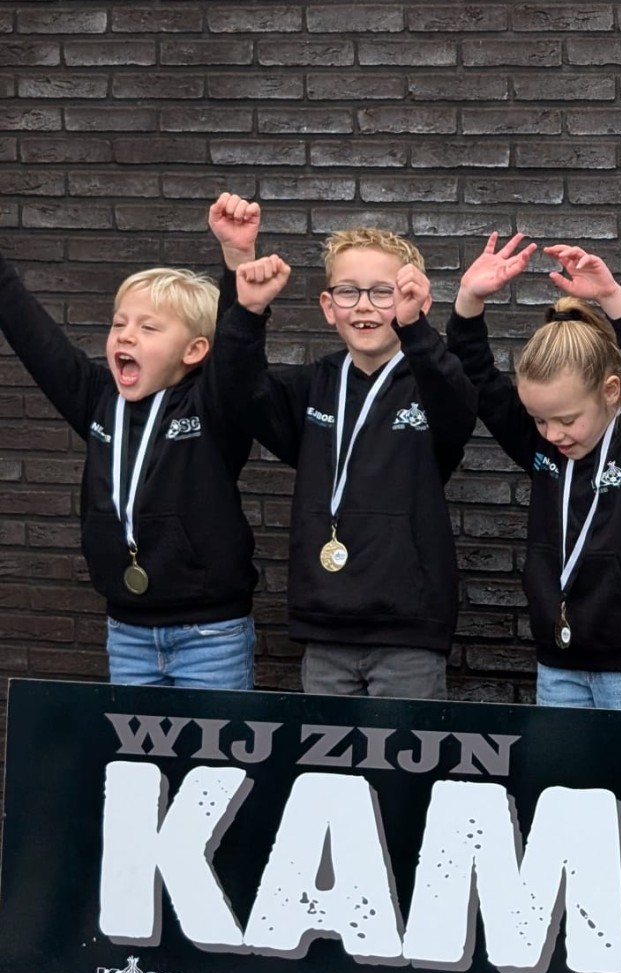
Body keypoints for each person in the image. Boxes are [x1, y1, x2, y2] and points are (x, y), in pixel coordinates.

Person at [0, 195, 268, 688]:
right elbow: (37, 342)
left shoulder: (212, 406)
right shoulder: (99, 400)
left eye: (148, 328)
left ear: (194, 350)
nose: (125, 336)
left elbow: (236, 358)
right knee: (136, 746)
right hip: (127, 633)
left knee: (215, 745)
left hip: (210, 636)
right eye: (119, 324)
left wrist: (236, 262)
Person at [212, 222, 477, 698]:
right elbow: (235, 392)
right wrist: (247, 311)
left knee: (404, 750)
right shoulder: (313, 386)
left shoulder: (430, 384)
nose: (364, 306)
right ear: (328, 305)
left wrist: (416, 330)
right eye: (349, 291)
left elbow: (457, 403)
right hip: (325, 628)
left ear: (414, 300)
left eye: (382, 292)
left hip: (408, 632)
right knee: (328, 751)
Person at [442, 233, 621, 711]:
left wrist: (612, 297)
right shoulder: (544, 448)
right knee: (560, 768)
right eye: (539, 420)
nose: (553, 433)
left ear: (611, 391)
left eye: (567, 419)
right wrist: (469, 300)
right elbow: (477, 375)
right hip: (558, 663)